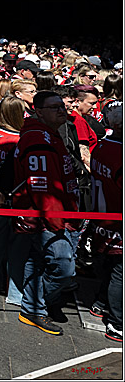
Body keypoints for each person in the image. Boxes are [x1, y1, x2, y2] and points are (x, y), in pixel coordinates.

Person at [12, 90, 80, 337]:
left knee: (39, 261)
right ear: (38, 112)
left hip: (60, 215)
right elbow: (42, 189)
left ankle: (34, 308)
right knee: (63, 266)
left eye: (62, 106)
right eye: (54, 107)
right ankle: (41, 303)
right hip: (49, 218)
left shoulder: (51, 133)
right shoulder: (37, 139)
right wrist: (57, 222)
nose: (62, 110)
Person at [86, 101, 122, 342]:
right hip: (117, 220)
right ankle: (118, 323)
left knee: (112, 266)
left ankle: (100, 303)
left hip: (103, 218)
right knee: (121, 271)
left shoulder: (103, 145)